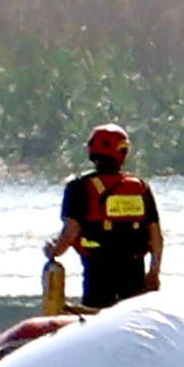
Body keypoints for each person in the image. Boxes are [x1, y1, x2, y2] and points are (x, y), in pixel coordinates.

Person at [46, 122, 164, 309]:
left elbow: (70, 231)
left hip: (98, 272)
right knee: (133, 315)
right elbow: (156, 236)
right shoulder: (140, 187)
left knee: (97, 312)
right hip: (135, 273)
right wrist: (154, 272)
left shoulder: (79, 187)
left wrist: (54, 251)